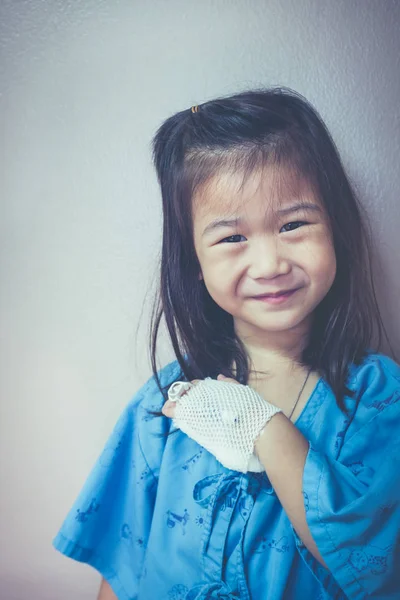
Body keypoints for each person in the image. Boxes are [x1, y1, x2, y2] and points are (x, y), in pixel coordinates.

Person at [53, 88, 400, 600]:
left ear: (336, 229)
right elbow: (121, 569)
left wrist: (260, 422)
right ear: (194, 261)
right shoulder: (166, 402)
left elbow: (369, 564)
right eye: (232, 238)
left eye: (293, 224)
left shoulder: (378, 394)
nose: (269, 264)